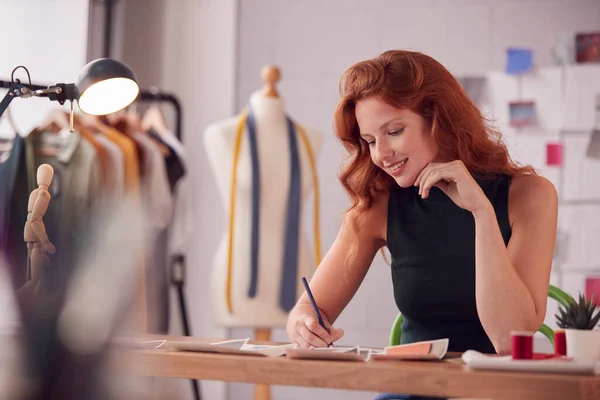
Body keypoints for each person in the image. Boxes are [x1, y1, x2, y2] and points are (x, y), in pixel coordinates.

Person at [286, 50, 557, 363]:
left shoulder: (530, 195)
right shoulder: (379, 205)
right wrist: (303, 325)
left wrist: (481, 214)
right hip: (412, 385)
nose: (381, 154)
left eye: (395, 131)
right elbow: (308, 309)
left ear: (439, 119)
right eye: (371, 141)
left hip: (491, 391)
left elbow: (510, 339)